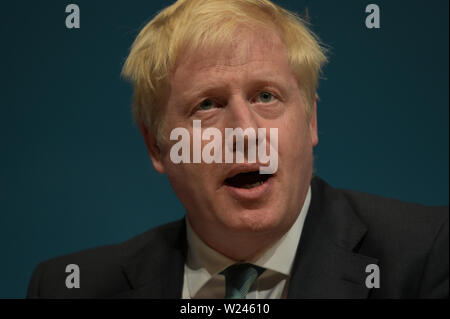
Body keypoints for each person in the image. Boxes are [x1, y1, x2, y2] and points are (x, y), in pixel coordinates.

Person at [27, 0, 448, 299]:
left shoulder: (426, 257)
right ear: (157, 147)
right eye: (207, 105)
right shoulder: (70, 287)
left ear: (311, 121)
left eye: (266, 96)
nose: (246, 132)